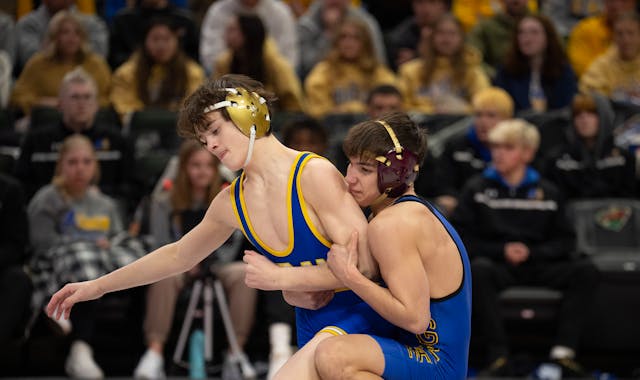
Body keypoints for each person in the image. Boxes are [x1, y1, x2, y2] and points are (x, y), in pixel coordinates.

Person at [46, 74, 393, 376]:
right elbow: (178, 256)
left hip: (363, 319)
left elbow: (367, 266)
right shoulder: (232, 201)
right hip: (313, 326)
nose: (210, 145)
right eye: (203, 140)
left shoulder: (313, 175)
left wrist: (284, 280)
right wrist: (98, 287)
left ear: (248, 115)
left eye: (214, 131)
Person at [310, 112, 472, 379]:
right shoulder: (395, 213)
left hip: (435, 362)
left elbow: (415, 319)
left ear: (398, 172)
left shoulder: (393, 224)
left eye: (364, 169)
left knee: (334, 355)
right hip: (416, 353)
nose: (349, 178)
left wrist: (348, 276)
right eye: (349, 165)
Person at [451, 119, 600, 377]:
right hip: (496, 264)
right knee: (478, 270)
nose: (498, 153)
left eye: (507, 147)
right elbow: (460, 237)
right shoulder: (476, 188)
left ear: (528, 153)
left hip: (539, 263)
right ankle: (498, 356)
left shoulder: (549, 191)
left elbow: (566, 241)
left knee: (586, 270)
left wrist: (533, 253)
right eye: (495, 146)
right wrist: (502, 250)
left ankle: (563, 354)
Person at [133, 140, 257, 379]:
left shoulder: (228, 196)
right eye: (195, 165)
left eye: (208, 166)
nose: (202, 171)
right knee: (163, 276)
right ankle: (154, 352)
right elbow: (161, 244)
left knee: (244, 273)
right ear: (183, 168)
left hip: (218, 262)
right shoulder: (164, 200)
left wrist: (205, 260)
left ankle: (235, 353)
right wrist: (186, 262)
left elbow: (232, 243)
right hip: (179, 264)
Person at [28, 134, 146, 379]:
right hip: (66, 263)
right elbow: (42, 244)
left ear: (95, 166)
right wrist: (90, 243)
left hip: (104, 260)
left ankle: (142, 352)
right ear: (61, 166)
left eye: (86, 162)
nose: (80, 168)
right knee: (84, 262)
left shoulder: (105, 204)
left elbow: (118, 237)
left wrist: (107, 245)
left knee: (144, 260)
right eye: (72, 162)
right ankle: (80, 348)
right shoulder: (47, 199)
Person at [14, 67, 134, 204]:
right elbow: (21, 187)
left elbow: (130, 189)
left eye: (87, 97)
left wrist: (101, 196)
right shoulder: (36, 141)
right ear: (60, 104)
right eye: (75, 97)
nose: (81, 104)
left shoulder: (118, 141)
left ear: (96, 105)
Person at [10, 10, 112, 116]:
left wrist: (84, 104)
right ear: (54, 37)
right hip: (48, 118)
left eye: (77, 33)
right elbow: (18, 97)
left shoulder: (97, 64)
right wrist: (42, 102)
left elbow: (108, 98)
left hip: (90, 119)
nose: (71, 37)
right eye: (65, 32)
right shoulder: (38, 64)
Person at [110, 16, 205, 124]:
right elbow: (125, 109)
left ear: (177, 41)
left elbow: (194, 108)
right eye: (155, 39)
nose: (161, 45)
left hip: (179, 131)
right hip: (140, 131)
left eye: (166, 39)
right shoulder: (125, 73)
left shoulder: (193, 72)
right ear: (144, 41)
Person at [437, 86, 514, 215]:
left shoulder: (518, 149)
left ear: (508, 120)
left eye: (491, 115)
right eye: (478, 115)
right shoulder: (455, 146)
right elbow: (443, 187)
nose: (483, 122)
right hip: (464, 212)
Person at [543, 93, 636, 199]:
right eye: (578, 114)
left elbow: (631, 203)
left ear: (604, 117)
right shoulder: (557, 161)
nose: (584, 120)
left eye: (591, 113)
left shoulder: (624, 159)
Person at [304, 17, 396, 119]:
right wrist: (352, 109)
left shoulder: (379, 72)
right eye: (343, 37)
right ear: (336, 42)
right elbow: (318, 112)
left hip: (372, 129)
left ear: (365, 42)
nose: (349, 43)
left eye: (356, 38)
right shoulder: (323, 71)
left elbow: (392, 104)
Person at [213, 13, 306, 113]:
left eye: (232, 30)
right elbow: (215, 96)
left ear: (247, 34)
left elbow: (293, 103)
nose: (225, 35)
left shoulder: (276, 65)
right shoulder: (224, 63)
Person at [398, 14, 490, 114]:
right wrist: (432, 111)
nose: (446, 39)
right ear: (432, 37)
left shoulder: (473, 73)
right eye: (441, 33)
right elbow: (399, 106)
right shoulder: (409, 71)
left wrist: (462, 109)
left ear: (462, 38)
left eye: (452, 33)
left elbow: (484, 107)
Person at [493, 14, 577, 113]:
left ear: (548, 37)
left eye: (534, 32)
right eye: (521, 33)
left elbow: (567, 109)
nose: (527, 39)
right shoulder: (505, 71)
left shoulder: (563, 71)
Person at [199, 0, 298, 74]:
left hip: (269, 82)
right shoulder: (218, 11)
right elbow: (211, 59)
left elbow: (289, 59)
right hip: (228, 80)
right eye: (233, 29)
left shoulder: (280, 12)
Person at [15, 0, 108, 71]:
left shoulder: (94, 25)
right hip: (43, 84)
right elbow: (29, 59)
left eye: (77, 33)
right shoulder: (27, 24)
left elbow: (98, 58)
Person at [108, 0, 199, 69]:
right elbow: (115, 60)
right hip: (136, 79)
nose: (160, 45)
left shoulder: (185, 21)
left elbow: (194, 60)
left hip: (178, 79)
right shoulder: (123, 20)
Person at [579, 12, 640, 106]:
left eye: (631, 33)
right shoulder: (601, 65)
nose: (626, 40)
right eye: (620, 34)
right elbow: (588, 92)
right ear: (614, 37)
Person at [567, 0, 636, 77]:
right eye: (611, 1)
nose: (616, 5)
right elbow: (584, 72)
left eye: (623, 1)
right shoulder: (586, 29)